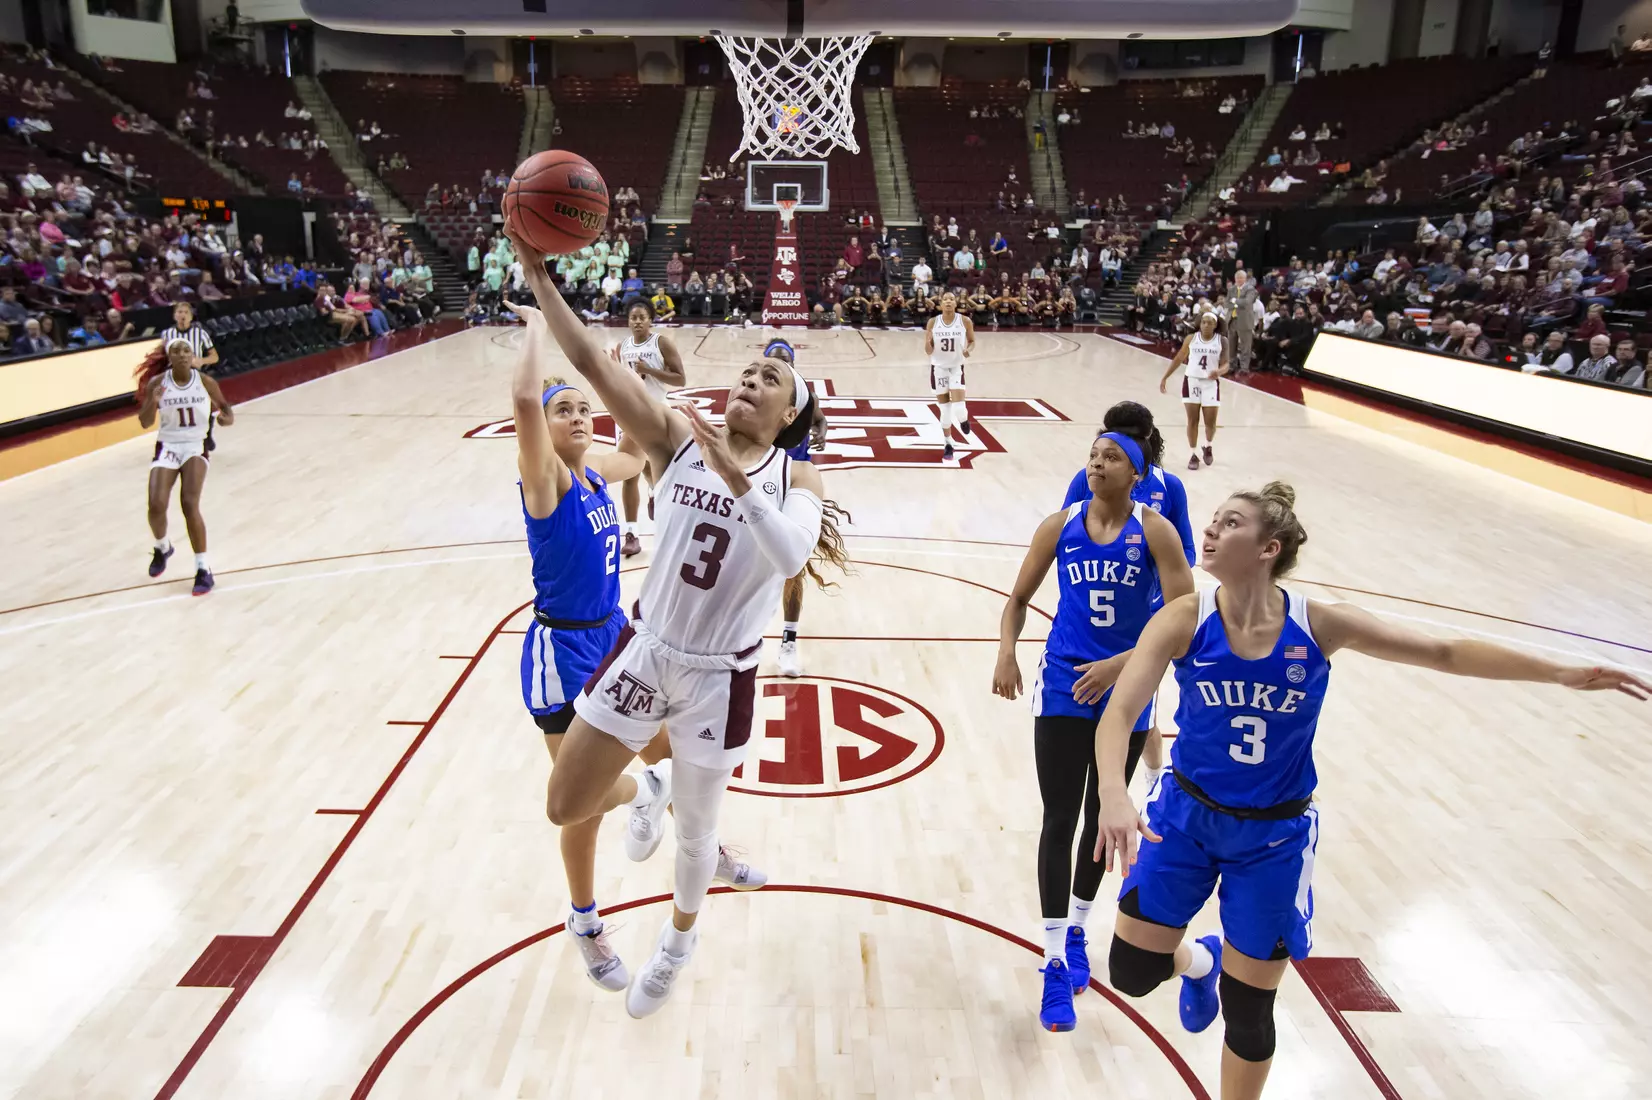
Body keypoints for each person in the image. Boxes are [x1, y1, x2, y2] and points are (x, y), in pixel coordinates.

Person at [1088, 483, 1648, 1100]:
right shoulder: (1184, 617)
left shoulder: (1317, 624)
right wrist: (1114, 792)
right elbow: (1120, 715)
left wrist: (1558, 671)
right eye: (1213, 520)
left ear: (1268, 548)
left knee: (1249, 1013)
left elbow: (1442, 651)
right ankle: (1199, 960)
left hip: (1272, 837)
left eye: (1230, 523)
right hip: (1186, 816)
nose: (1211, 531)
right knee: (1132, 973)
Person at [507, 228, 850, 1019]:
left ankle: (678, 942)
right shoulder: (673, 437)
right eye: (749, 369)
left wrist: (740, 479)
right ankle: (647, 788)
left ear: (790, 413)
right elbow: (593, 364)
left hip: (719, 675)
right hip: (644, 648)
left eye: (771, 379)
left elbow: (793, 553)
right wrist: (539, 277)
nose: (752, 379)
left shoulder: (798, 472)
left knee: (698, 838)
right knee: (564, 803)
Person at [504, 307, 766, 992]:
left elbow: (640, 444)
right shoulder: (547, 481)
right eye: (567, 412)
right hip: (560, 650)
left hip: (613, 635)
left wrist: (624, 377)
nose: (578, 418)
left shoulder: (594, 471)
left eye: (583, 410)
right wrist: (537, 325)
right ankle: (585, 919)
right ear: (544, 429)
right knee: (583, 807)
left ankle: (700, 844)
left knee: (675, 749)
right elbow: (525, 400)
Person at [995, 427, 1196, 1032]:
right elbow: (1017, 598)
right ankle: (1055, 958)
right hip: (1061, 685)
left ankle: (1079, 927)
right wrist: (1006, 651)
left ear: (1137, 474)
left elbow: (1183, 617)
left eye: (1112, 458)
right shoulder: (1059, 526)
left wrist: (1121, 664)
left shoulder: (1155, 532)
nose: (1097, 464)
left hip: (1125, 694)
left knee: (1101, 819)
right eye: (1092, 455)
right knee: (1059, 818)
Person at [1061, 402, 1197, 779]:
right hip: (1092, 616)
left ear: (1145, 442)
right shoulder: (1086, 478)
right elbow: (1066, 534)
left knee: (1139, 710)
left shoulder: (1168, 486)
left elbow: (1186, 551)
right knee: (1079, 707)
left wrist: (1153, 577)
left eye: (1127, 440)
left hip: (1144, 616)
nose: (1110, 449)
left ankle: (1152, 780)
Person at [135, 339, 234, 596]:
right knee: (155, 504)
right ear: (170, 357)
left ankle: (203, 568)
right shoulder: (158, 383)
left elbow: (226, 408)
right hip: (168, 445)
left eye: (186, 351)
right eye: (176, 351)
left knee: (189, 503)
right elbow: (145, 422)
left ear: (193, 355)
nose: (182, 355)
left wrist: (225, 419)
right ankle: (162, 546)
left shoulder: (205, 382)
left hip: (195, 445)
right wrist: (152, 402)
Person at [764, 338, 832, 678]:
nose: (781, 363)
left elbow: (819, 419)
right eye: (775, 359)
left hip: (794, 485)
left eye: (786, 359)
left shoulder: (806, 398)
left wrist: (821, 432)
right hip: (760, 485)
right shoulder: (756, 400)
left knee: (794, 569)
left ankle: (789, 641)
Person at [611, 300, 686, 557]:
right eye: (633, 317)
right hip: (630, 416)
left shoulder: (661, 343)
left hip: (657, 414)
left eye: (642, 317)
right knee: (630, 473)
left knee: (659, 475)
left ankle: (658, 498)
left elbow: (680, 378)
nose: (637, 321)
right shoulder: (622, 347)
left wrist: (650, 371)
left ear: (651, 320)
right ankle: (631, 533)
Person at [1160, 311, 1228, 470]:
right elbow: (1179, 358)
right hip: (1192, 381)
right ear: (1200, 323)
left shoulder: (1222, 341)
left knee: (1210, 421)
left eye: (1209, 322)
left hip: (1211, 384)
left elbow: (1226, 364)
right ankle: (1193, 454)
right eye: (1203, 322)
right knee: (1193, 420)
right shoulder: (1191, 338)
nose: (1205, 325)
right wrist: (1165, 377)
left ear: (1215, 325)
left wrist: (1219, 371)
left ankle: (1208, 445)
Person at [925, 292, 976, 462]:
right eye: (945, 299)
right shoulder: (933, 322)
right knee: (945, 411)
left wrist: (969, 350)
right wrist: (927, 341)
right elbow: (928, 351)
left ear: (956, 303)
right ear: (940, 304)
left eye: (951, 299)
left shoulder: (965, 321)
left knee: (959, 409)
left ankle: (963, 420)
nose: (948, 301)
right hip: (938, 369)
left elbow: (972, 341)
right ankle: (948, 444)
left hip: (956, 367)